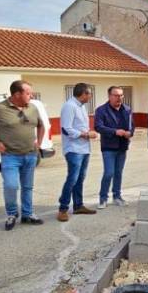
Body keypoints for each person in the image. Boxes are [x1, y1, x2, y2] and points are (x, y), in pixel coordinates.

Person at [0, 80, 46, 230]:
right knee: (11, 185)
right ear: (17, 94)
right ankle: (12, 214)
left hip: (30, 154)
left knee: (27, 187)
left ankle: (28, 214)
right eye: (28, 93)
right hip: (10, 156)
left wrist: (39, 143)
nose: (31, 95)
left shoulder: (33, 108)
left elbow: (41, 125)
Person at [57, 83, 98, 221]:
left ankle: (78, 205)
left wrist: (87, 135)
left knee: (80, 178)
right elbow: (66, 129)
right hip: (73, 149)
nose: (90, 96)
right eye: (89, 93)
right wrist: (86, 135)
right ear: (83, 94)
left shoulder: (81, 106)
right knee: (73, 178)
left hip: (84, 148)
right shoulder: (69, 106)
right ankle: (63, 208)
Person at [94, 86, 134, 208]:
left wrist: (130, 133)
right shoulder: (101, 110)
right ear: (109, 96)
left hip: (122, 146)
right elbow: (98, 127)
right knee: (109, 173)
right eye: (116, 95)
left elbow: (132, 126)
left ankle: (117, 196)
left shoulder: (127, 109)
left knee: (118, 173)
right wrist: (115, 131)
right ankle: (103, 198)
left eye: (121, 95)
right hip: (108, 146)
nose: (119, 98)